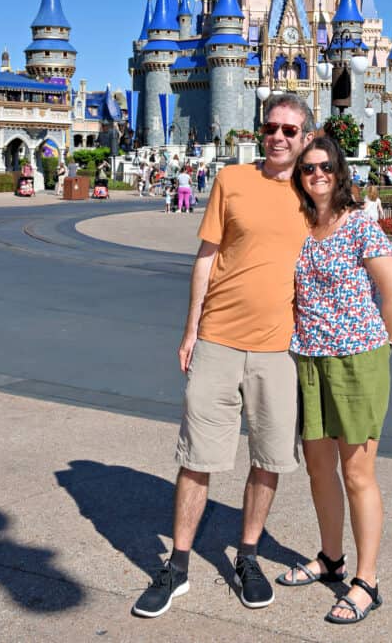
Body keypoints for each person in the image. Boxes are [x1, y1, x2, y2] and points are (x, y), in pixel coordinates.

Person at [132, 93, 315, 619]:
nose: (278, 136)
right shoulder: (231, 181)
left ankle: (248, 555)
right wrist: (190, 329)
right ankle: (179, 564)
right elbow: (206, 258)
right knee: (197, 458)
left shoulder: (312, 192)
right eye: (271, 127)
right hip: (217, 339)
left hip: (278, 349)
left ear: (305, 138)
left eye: (289, 130)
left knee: (269, 458)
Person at [277, 136, 392, 625]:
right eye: (308, 169)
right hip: (309, 359)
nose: (317, 175)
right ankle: (332, 558)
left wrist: (379, 349)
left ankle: (367, 580)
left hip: (356, 361)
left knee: (357, 473)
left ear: (340, 170)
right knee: (318, 468)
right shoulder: (303, 226)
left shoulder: (359, 225)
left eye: (325, 166)